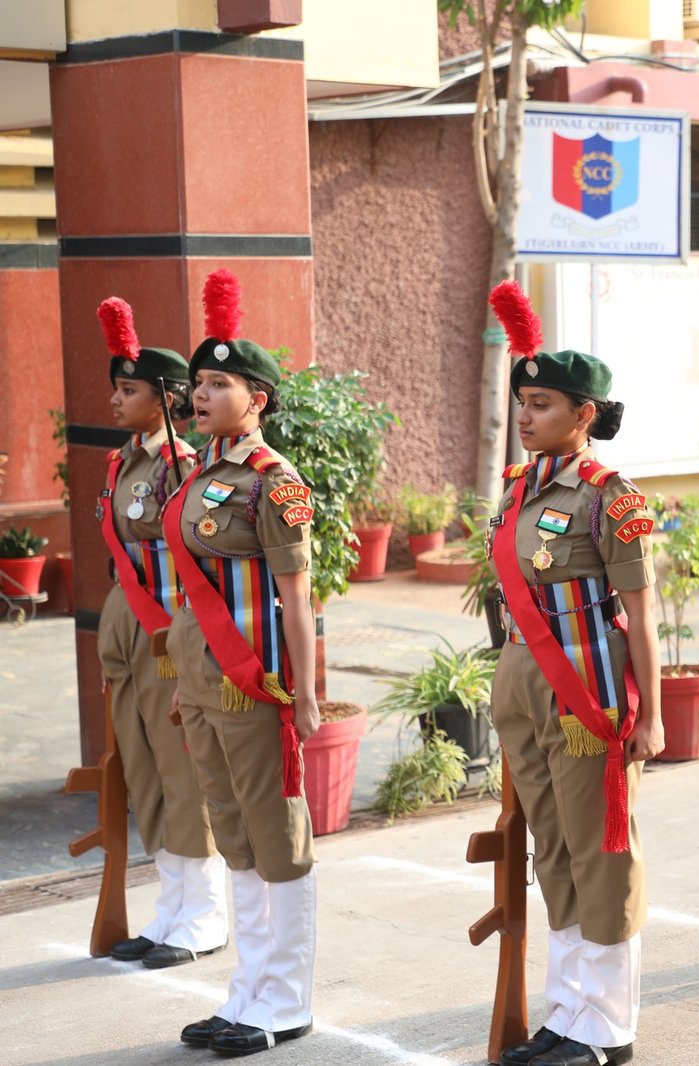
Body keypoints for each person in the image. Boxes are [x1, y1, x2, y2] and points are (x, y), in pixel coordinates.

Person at [484, 279, 663, 1066]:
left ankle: (608, 1026)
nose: (526, 417)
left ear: (584, 415)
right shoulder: (518, 489)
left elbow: (642, 613)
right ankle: (567, 1013)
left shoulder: (609, 498)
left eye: (542, 405)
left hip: (588, 692)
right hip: (525, 690)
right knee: (552, 851)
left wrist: (652, 714)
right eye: (522, 404)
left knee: (601, 852)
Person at [166, 269, 319, 1057]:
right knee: (233, 832)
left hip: (253, 682)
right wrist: (184, 681)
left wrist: (308, 694)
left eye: (219, 383)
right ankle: (247, 992)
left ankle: (286, 999)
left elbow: (298, 597)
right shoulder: (199, 472)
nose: (201, 394)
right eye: (198, 383)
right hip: (202, 682)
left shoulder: (274, 482)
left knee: (275, 834)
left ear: (257, 399)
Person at [93, 296, 228, 969]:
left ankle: (203, 916)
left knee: (183, 771)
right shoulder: (124, 462)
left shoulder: (182, 465)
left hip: (168, 635)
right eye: (116, 389)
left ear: (166, 398)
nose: (116, 400)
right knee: (145, 772)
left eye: (130, 390)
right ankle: (171, 909)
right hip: (127, 633)